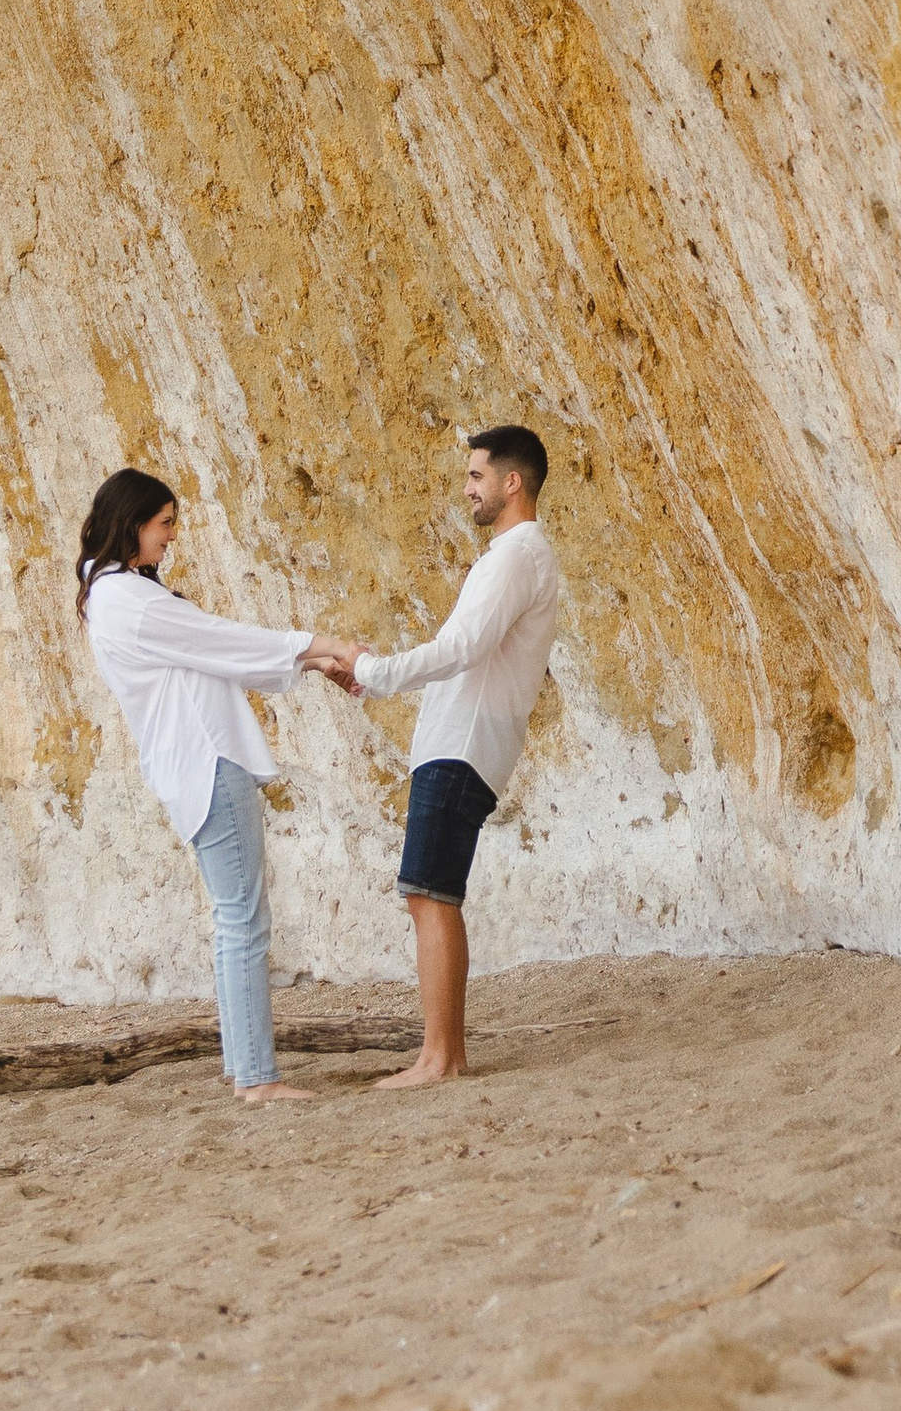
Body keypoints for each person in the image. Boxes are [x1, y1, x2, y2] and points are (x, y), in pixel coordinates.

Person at [77, 466, 355, 1104]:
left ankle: (244, 1068)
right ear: (131, 522)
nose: (172, 536)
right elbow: (221, 640)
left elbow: (213, 660)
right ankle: (257, 1077)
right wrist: (324, 643)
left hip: (194, 765)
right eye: (164, 523)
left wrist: (313, 662)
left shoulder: (115, 594)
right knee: (243, 920)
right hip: (208, 763)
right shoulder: (126, 597)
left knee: (236, 919)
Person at [340, 425, 561, 1088]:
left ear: (511, 482)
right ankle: (446, 1055)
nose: (467, 488)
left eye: (476, 475)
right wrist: (364, 678)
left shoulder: (517, 556)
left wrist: (375, 672)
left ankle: (439, 1059)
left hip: (463, 749)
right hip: (458, 745)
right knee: (429, 894)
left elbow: (462, 648)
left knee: (431, 896)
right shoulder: (515, 556)